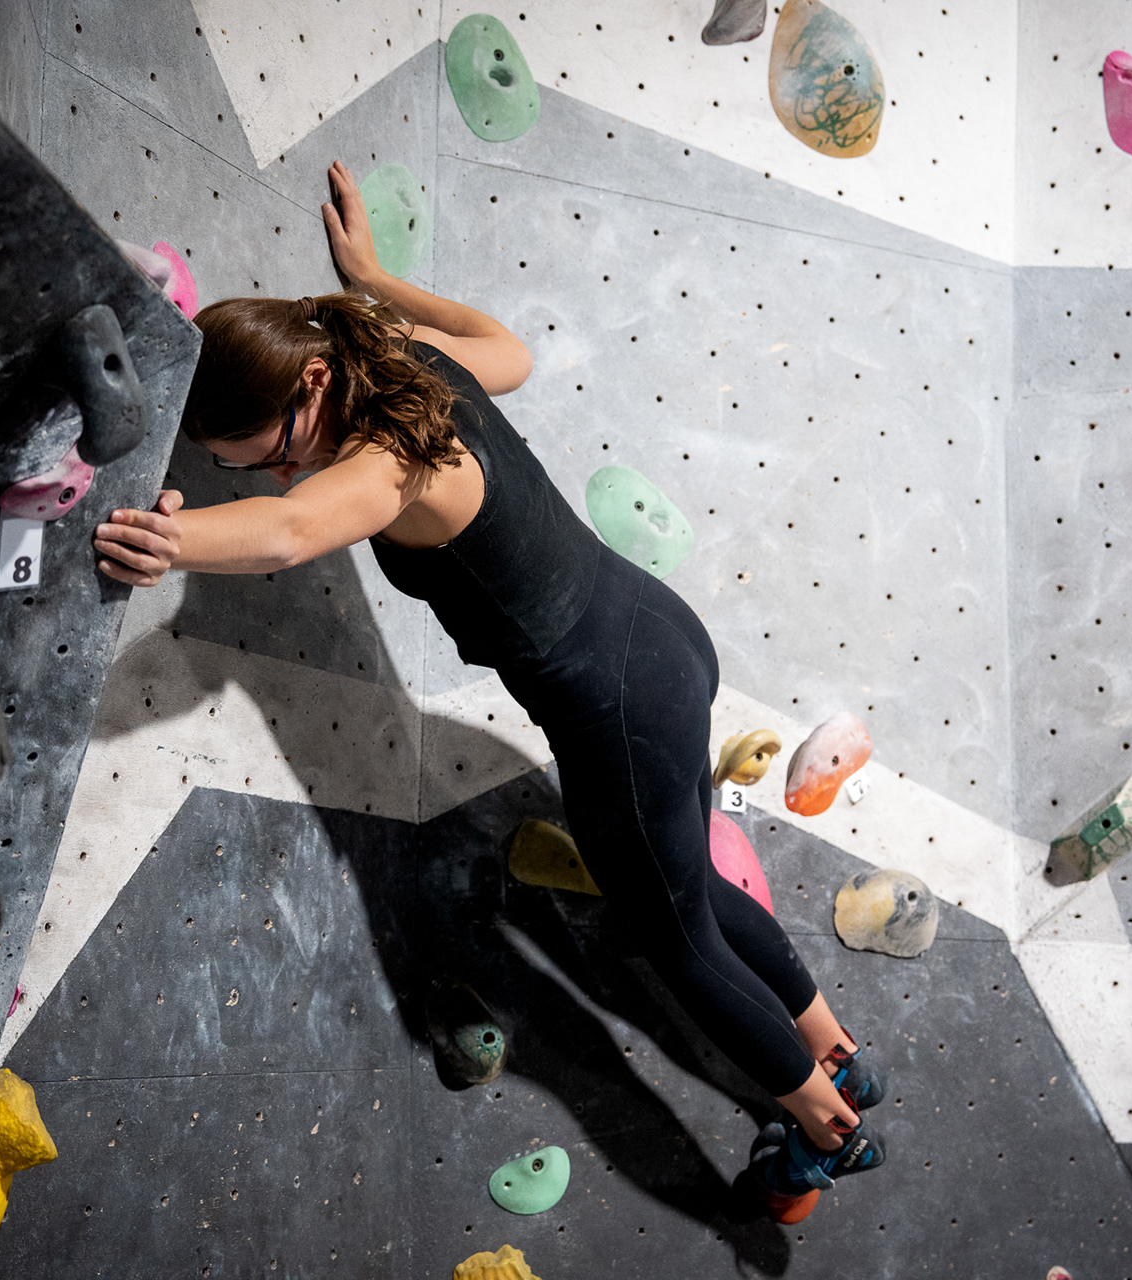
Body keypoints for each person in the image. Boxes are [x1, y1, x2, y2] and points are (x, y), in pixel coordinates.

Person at [92, 161, 887, 1211]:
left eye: (269, 452)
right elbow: (506, 351)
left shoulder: (385, 463)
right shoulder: (397, 358)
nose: (279, 476)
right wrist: (376, 280)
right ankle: (835, 1052)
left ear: (312, 383)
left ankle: (824, 1126)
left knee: (676, 939)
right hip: (658, 634)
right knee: (687, 874)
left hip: (612, 706)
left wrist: (167, 537)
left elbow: (289, 533)